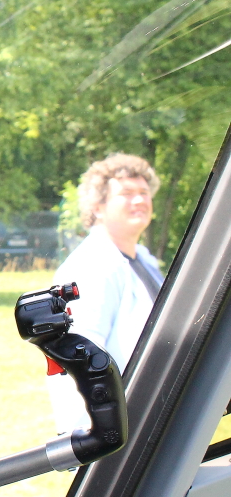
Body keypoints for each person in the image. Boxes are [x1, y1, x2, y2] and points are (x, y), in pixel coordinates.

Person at [48, 153, 164, 433]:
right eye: (126, 193)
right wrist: (92, 434)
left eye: (144, 193)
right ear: (98, 207)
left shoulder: (143, 261)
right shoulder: (93, 266)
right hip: (117, 431)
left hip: (151, 417)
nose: (139, 200)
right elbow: (77, 355)